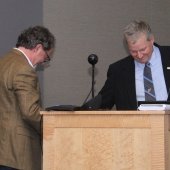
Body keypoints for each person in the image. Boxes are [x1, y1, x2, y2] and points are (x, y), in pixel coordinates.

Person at [0, 26, 55, 170]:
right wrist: (53, 127)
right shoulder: (24, 69)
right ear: (38, 47)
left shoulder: (4, 62)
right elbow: (30, 112)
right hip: (17, 153)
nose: (43, 62)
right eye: (46, 57)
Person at [84, 20, 170, 110]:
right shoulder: (118, 71)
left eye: (143, 49)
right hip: (134, 123)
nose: (139, 55)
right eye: (133, 51)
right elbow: (102, 103)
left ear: (151, 40)